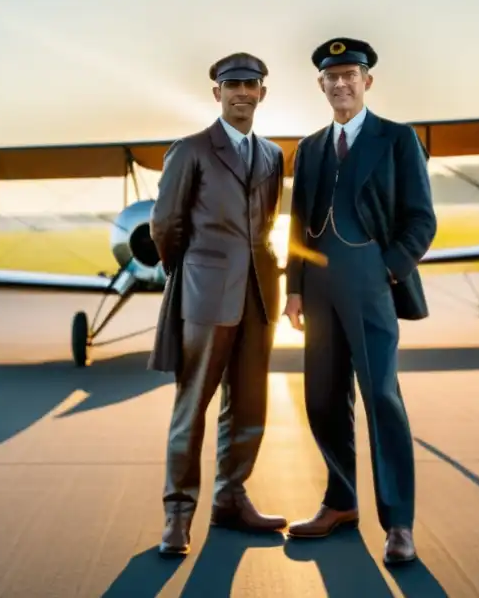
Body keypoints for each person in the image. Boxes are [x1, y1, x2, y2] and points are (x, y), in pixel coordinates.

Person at [282, 37, 437, 565]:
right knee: (322, 400)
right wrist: (295, 289)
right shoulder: (309, 149)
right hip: (319, 292)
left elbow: (422, 219)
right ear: (321, 84)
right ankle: (340, 502)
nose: (342, 83)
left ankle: (398, 523)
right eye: (333, 76)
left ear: (367, 82)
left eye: (351, 74)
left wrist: (388, 269)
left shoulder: (397, 140)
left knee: (381, 400)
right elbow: (298, 225)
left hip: (372, 284)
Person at [148, 51, 288, 557]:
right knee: (193, 408)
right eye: (232, 86)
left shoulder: (272, 155)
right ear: (217, 94)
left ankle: (231, 500)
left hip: (259, 295)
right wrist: (189, 273)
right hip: (205, 295)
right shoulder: (189, 151)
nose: (242, 93)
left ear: (262, 94)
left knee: (250, 405)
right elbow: (165, 226)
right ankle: (177, 515)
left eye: (251, 85)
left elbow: (265, 223)